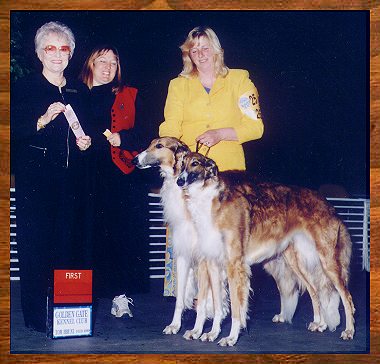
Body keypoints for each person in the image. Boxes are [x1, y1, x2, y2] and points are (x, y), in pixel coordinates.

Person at [11, 21, 93, 333]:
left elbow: (87, 134)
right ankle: (35, 317)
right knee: (35, 249)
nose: (57, 55)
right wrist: (42, 120)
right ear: (38, 53)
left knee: (69, 247)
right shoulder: (24, 89)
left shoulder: (78, 91)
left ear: (71, 54)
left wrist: (87, 143)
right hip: (36, 185)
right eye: (50, 48)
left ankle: (68, 316)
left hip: (72, 185)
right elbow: (14, 132)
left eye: (63, 49)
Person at [80, 45, 150, 317]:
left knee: (124, 237)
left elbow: (148, 133)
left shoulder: (130, 95)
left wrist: (125, 139)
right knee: (88, 237)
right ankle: (82, 297)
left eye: (113, 62)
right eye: (102, 61)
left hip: (122, 176)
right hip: (86, 176)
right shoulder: (74, 93)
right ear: (90, 64)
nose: (108, 67)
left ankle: (121, 296)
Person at [159, 26, 264, 171]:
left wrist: (220, 134)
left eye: (205, 48)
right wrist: (166, 153)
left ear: (216, 49)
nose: (200, 54)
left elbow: (255, 127)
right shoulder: (177, 85)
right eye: (194, 51)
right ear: (188, 56)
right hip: (188, 170)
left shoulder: (240, 80)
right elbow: (171, 125)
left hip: (230, 170)